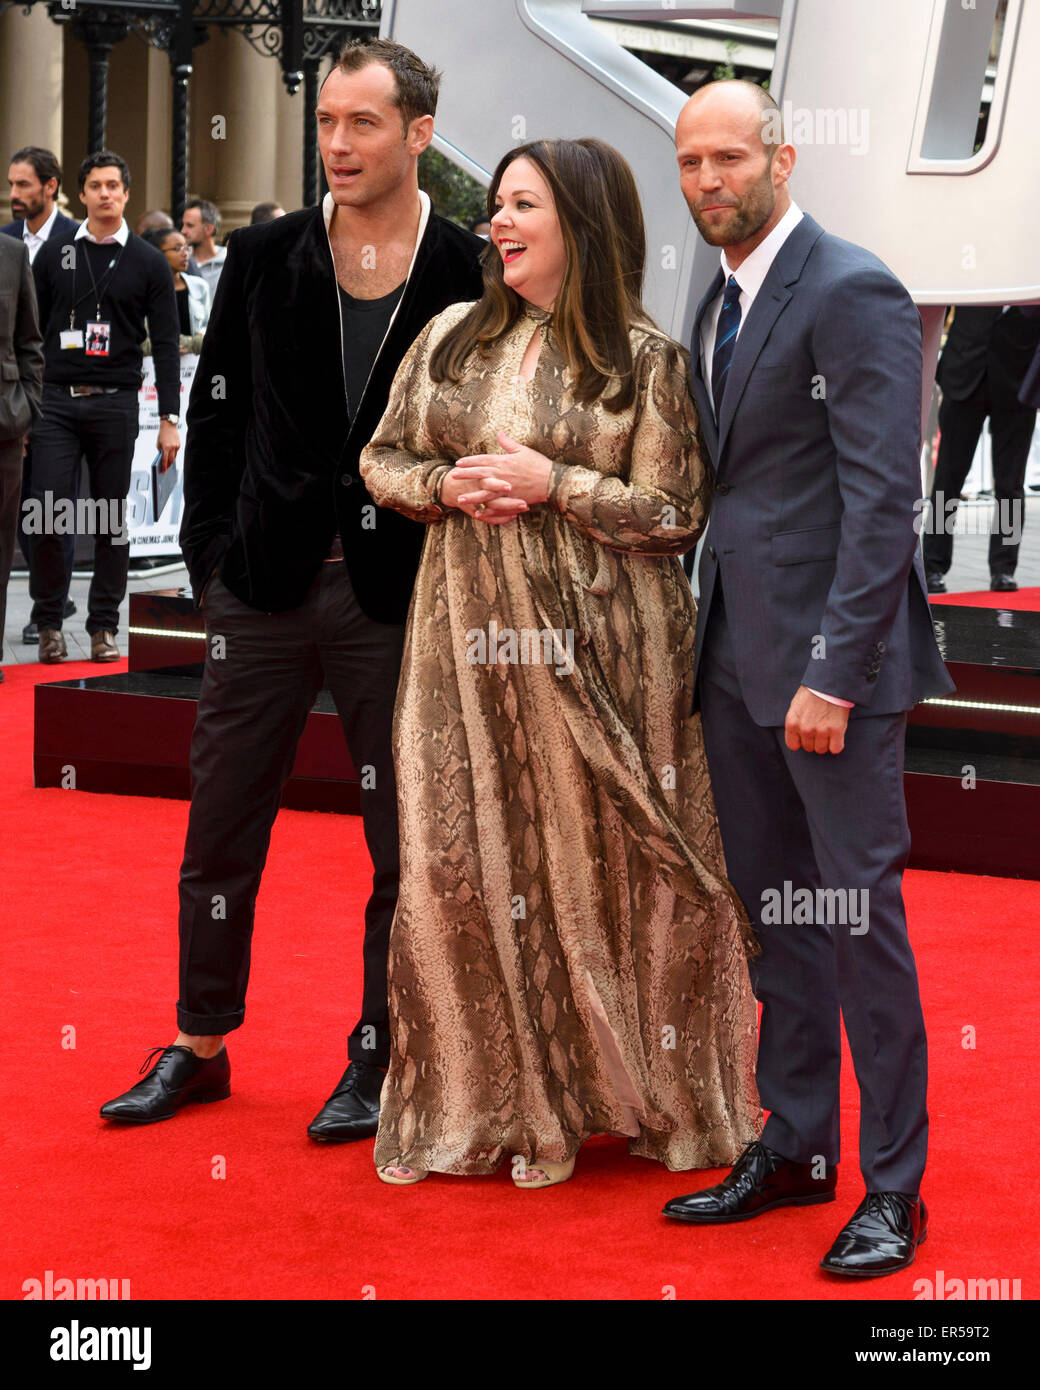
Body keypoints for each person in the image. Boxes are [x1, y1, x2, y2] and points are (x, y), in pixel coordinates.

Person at [98, 39, 484, 1138]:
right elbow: (215, 414)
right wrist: (214, 561)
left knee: (401, 843)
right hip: (260, 595)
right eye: (326, 124)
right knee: (221, 824)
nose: (337, 145)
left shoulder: (463, 268)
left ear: (417, 133)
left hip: (392, 600)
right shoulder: (266, 255)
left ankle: (377, 1056)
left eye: (362, 124)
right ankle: (199, 1039)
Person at [360, 136, 762, 1188]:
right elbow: (381, 456)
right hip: (462, 645)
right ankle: (498, 1099)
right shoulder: (448, 335)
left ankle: (654, 1097)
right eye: (494, 205)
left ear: (580, 225)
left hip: (604, 654)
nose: (495, 223)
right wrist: (445, 487)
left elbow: (676, 513)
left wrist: (556, 483)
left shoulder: (643, 359)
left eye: (520, 205)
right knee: (463, 859)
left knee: (617, 868)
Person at [661, 80, 954, 1276]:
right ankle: (793, 1142)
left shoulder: (851, 287)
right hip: (732, 659)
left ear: (780, 157)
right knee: (777, 916)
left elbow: (885, 501)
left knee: (859, 923)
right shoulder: (714, 297)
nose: (706, 182)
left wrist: (832, 673)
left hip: (831, 674)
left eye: (727, 158)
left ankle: (894, 1184)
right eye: (688, 164)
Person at [28, 150, 180, 663]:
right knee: (49, 514)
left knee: (112, 519)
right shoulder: (54, 255)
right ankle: (49, 622)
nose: (106, 194)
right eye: (95, 186)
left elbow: (164, 346)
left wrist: (169, 421)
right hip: (55, 404)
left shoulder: (148, 261)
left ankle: (102, 627)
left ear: (127, 194)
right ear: (82, 194)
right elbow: (31, 334)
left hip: (116, 405)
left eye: (114, 185)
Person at [3, 146, 80, 644]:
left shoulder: (78, 242)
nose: (13, 195)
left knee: (46, 508)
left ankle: (48, 607)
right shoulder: (9, 241)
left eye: (23, 185)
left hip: (49, 403)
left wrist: (28, 406)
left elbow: (34, 338)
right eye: (10, 185)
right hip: (24, 403)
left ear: (50, 186)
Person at [922, 306, 1040, 594]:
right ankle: (932, 566)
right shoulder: (971, 265)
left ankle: (1003, 568)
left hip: (1017, 386)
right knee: (947, 482)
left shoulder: (1029, 273)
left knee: (1010, 486)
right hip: (963, 377)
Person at [0, 235, 43, 683]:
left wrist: (27, 407)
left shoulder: (12, 255)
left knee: (0, 547)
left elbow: (30, 340)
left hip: (4, 425)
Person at [141, 226, 211, 353]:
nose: (185, 254)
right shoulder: (143, 290)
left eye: (186, 248)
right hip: (154, 366)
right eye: (178, 249)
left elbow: (209, 327)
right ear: (158, 253)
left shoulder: (200, 286)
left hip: (193, 366)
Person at [180, 198, 225, 295]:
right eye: (183, 224)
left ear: (209, 229)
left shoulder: (229, 261)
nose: (183, 231)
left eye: (190, 225)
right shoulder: (180, 261)